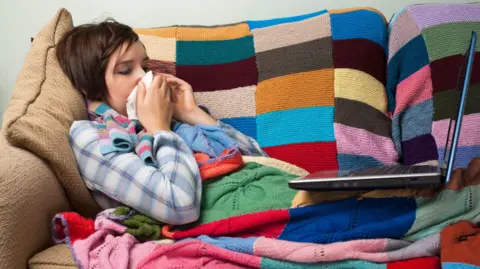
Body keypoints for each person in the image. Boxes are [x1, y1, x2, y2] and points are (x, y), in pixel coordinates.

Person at [56, 19, 267, 225]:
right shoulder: (93, 137)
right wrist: (160, 129)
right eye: (125, 70)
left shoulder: (171, 120)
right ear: (89, 86)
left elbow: (264, 164)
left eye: (145, 67)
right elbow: (181, 207)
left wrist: (192, 114)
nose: (146, 77)